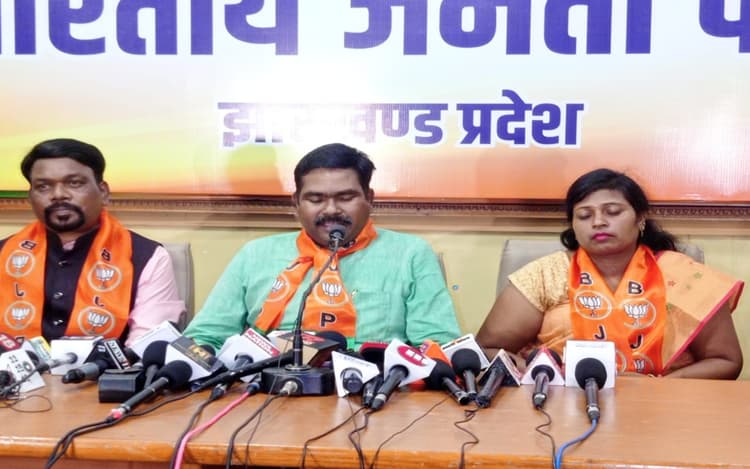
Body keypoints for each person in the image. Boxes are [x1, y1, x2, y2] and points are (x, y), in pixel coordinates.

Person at [184, 143, 461, 351]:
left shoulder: (410, 254)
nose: (331, 210)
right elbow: (205, 337)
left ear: (369, 198)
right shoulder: (255, 254)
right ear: (296, 202)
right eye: (316, 199)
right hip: (267, 389)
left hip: (375, 394)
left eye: (345, 197)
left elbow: (435, 344)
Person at [476, 168, 743, 379]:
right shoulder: (545, 274)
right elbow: (488, 350)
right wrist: (541, 374)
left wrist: (660, 388)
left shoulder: (681, 274)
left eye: (613, 212)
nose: (599, 222)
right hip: (558, 406)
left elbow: (725, 361)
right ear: (573, 225)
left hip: (665, 407)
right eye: (584, 215)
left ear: (640, 218)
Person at [0, 138, 185, 346]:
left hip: (108, 368)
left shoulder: (146, 257)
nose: (58, 195)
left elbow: (146, 345)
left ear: (103, 192)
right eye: (43, 187)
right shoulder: (4, 254)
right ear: (30, 197)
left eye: (74, 183)